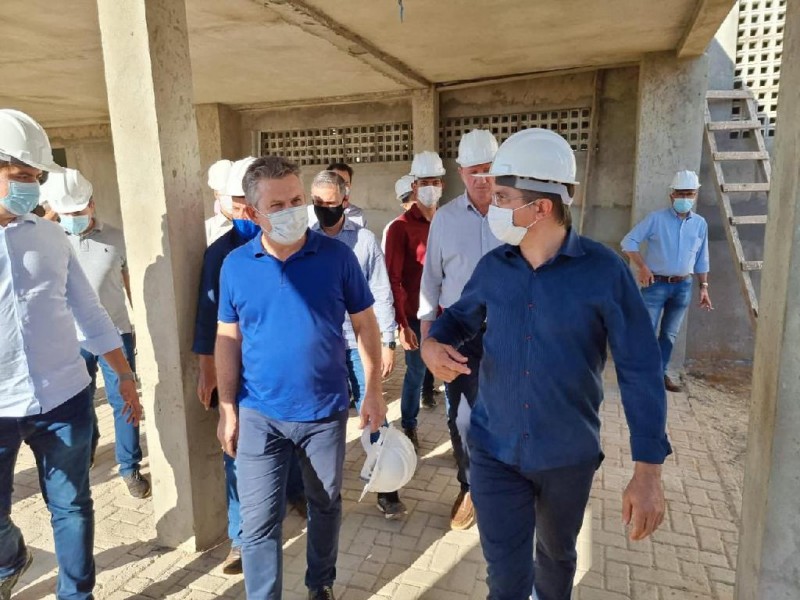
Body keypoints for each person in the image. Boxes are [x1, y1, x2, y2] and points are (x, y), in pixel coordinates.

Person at [422, 128, 671, 600]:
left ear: (541, 207)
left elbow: (641, 369)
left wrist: (648, 473)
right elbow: (457, 318)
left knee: (556, 562)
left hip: (566, 456)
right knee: (505, 578)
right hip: (494, 451)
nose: (490, 206)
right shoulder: (495, 266)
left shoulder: (604, 272)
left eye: (501, 196)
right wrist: (434, 346)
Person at [215, 156, 386, 600]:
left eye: (296, 199)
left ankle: (320, 582)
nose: (292, 210)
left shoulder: (337, 256)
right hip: (258, 413)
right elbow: (227, 339)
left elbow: (366, 325)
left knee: (325, 503)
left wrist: (373, 392)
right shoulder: (235, 265)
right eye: (278, 204)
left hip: (324, 411)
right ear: (252, 213)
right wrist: (228, 408)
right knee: (257, 522)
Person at [0, 108, 141, 599]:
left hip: (64, 398)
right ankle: (10, 556)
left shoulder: (51, 238)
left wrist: (125, 377)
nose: (30, 190)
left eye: (35, 179)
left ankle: (77, 594)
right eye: (19, 177)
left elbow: (91, 312)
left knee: (72, 505)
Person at [192, 157, 305, 576]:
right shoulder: (221, 255)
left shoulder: (290, 243)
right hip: (237, 374)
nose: (245, 211)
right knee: (237, 454)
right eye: (238, 203)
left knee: (290, 446)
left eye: (247, 202)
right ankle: (243, 539)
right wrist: (208, 370)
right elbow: (210, 320)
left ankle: (296, 496)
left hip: (284, 377)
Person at [41, 168, 151, 498]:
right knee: (80, 400)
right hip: (70, 339)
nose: (72, 218)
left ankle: (130, 467)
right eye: (65, 214)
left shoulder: (116, 239)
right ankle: (88, 449)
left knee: (124, 400)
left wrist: (141, 332)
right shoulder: (49, 239)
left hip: (117, 335)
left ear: (91, 204)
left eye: (77, 212)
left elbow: (132, 288)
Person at [310, 169, 407, 519]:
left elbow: (381, 293)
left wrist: (387, 341)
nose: (323, 209)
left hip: (359, 344)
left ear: (345, 202)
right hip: (322, 347)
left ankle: (387, 487)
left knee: (374, 413)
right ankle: (323, 493)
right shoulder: (306, 239)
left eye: (330, 203)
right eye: (317, 203)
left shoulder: (365, 241)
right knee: (323, 420)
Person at [418, 129, 501, 530]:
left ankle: (508, 486)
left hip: (510, 330)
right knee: (464, 417)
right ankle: (469, 487)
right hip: (460, 331)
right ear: (461, 172)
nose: (482, 179)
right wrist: (428, 335)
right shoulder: (446, 220)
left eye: (489, 170)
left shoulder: (516, 214)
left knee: (512, 409)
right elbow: (431, 279)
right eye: (474, 171)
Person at [621, 170, 713, 392]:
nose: (684, 198)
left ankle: (660, 374)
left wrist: (704, 287)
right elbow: (628, 242)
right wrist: (642, 267)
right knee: (646, 333)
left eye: (689, 193)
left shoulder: (700, 224)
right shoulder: (656, 219)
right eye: (680, 193)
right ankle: (640, 377)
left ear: (695, 195)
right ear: (671, 195)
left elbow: (702, 258)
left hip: (683, 286)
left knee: (669, 335)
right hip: (656, 285)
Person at [384, 151, 444, 450]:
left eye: (436, 181)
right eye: (424, 182)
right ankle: (409, 424)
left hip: (450, 314)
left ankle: (459, 434)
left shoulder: (449, 221)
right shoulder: (400, 227)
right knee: (417, 373)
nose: (431, 187)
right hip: (416, 316)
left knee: (454, 373)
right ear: (415, 187)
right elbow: (392, 279)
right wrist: (401, 324)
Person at [307, 161, 366, 228]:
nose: (342, 187)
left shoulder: (358, 215)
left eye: (346, 183)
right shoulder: (308, 214)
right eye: (337, 182)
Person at [205, 159, 235, 244]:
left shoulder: (257, 224)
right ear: (216, 194)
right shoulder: (208, 229)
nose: (232, 197)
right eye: (226, 192)